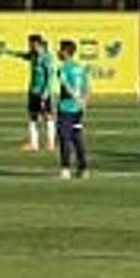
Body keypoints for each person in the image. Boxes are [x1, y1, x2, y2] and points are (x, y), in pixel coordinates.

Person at [54, 39, 90, 180]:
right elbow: (87, 88)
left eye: (60, 49)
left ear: (65, 52)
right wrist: (84, 103)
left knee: (65, 138)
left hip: (66, 107)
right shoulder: (80, 68)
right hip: (78, 109)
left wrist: (76, 98)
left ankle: (65, 168)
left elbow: (66, 85)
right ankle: (84, 169)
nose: (58, 52)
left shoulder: (63, 68)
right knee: (77, 138)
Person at [15, 34, 56, 153]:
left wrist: (46, 91)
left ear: (37, 43)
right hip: (33, 91)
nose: (30, 46)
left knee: (48, 117)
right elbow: (22, 55)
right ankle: (34, 144)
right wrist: (6, 51)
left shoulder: (46, 57)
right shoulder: (33, 55)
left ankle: (51, 143)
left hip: (42, 92)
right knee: (32, 117)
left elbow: (49, 75)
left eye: (31, 43)